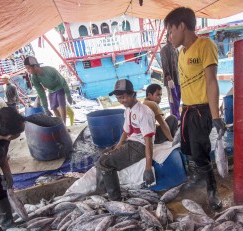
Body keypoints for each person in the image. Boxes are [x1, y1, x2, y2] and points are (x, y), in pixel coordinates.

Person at [164, 7, 226, 210]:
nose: (169, 36)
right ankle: (195, 180)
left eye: (170, 31)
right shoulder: (181, 53)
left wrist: (216, 115)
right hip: (187, 109)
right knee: (188, 149)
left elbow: (211, 81)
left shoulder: (205, 45)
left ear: (182, 26)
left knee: (201, 153)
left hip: (202, 110)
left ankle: (212, 193)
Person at [95, 79, 156, 200]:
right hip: (130, 142)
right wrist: (118, 146)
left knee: (104, 163)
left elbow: (148, 142)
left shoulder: (144, 112)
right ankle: (103, 191)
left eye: (123, 97)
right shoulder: (128, 110)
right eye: (118, 98)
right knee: (101, 155)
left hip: (139, 146)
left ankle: (115, 199)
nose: (121, 101)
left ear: (132, 94)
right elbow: (126, 131)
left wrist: (148, 168)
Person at [24, 56, 75, 126]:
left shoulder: (50, 70)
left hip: (59, 88)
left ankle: (64, 125)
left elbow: (63, 81)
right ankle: (60, 124)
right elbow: (41, 93)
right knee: (53, 107)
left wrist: (68, 95)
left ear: (35, 66)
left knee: (61, 105)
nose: (28, 71)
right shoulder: (34, 78)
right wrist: (45, 108)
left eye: (28, 68)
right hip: (51, 91)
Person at [160, 33, 181, 120]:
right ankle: (175, 118)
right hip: (170, 80)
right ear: (167, 37)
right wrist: (168, 77)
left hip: (178, 79)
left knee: (178, 99)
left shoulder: (176, 49)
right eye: (170, 36)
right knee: (173, 100)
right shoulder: (164, 49)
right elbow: (165, 64)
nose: (172, 38)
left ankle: (177, 116)